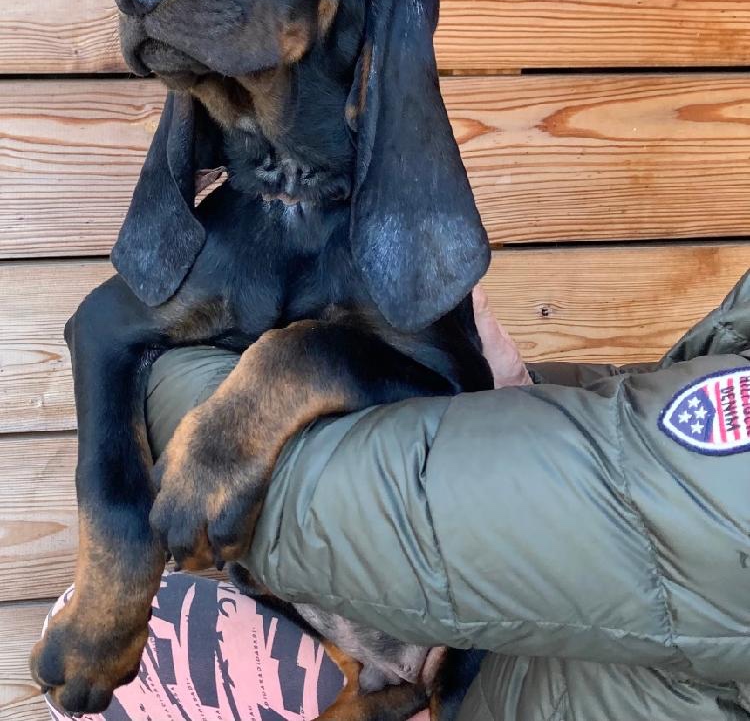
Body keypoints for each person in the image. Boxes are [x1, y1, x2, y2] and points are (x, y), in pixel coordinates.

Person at [45, 283, 750, 720]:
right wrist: (519, 394)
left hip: (510, 665)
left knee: (141, 656)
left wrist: (235, 410)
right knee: (155, 644)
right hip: (534, 647)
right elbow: (650, 427)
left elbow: (674, 511)